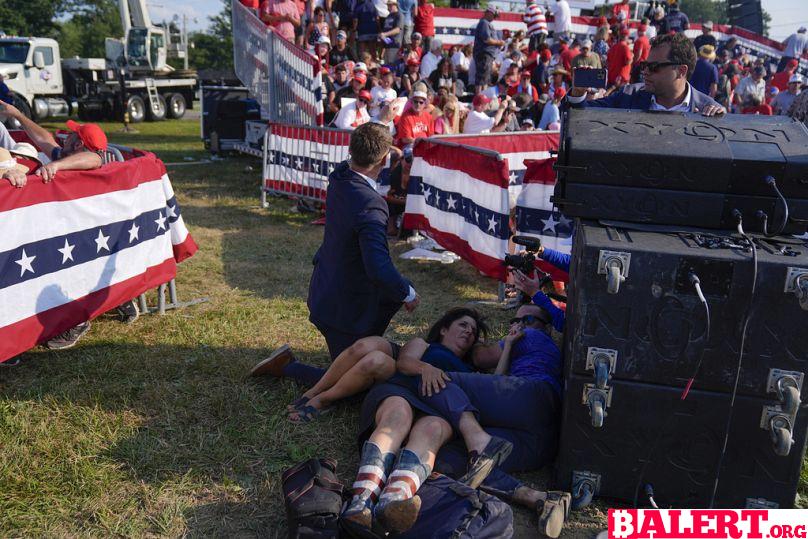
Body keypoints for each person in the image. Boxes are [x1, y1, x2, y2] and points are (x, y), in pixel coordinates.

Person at [344, 307, 570, 537]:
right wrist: (427, 368)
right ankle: (366, 505)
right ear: (443, 328)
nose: (469, 332)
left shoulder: (477, 370)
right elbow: (404, 363)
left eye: (473, 331)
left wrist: (507, 344)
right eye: (463, 325)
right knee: (423, 439)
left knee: (443, 403)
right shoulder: (427, 346)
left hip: (465, 410)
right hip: (410, 395)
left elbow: (494, 378)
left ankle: (383, 501)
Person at [303, 123, 421, 363]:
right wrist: (407, 293)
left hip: (326, 292)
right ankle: (288, 367)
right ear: (384, 159)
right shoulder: (371, 204)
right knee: (353, 384)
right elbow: (377, 267)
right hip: (345, 312)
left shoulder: (340, 176)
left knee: (353, 373)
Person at [567, 33, 725, 116]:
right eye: (644, 65)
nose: (645, 72)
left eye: (654, 67)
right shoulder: (628, 95)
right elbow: (578, 116)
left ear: (681, 71)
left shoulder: (709, 110)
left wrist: (723, 120)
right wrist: (577, 94)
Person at [473, 7, 505, 92]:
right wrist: (499, 43)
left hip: (487, 55)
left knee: (485, 78)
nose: (494, 18)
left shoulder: (486, 23)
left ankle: (483, 96)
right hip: (484, 54)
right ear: (489, 13)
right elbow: (486, 39)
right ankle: (480, 97)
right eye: (494, 15)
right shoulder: (484, 23)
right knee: (482, 78)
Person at [395, 83, 434, 147]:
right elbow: (405, 139)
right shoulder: (405, 117)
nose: (418, 104)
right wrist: (421, 142)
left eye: (421, 102)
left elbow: (431, 136)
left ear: (425, 104)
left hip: (425, 146)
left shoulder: (429, 117)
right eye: (415, 101)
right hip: (410, 146)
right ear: (411, 102)